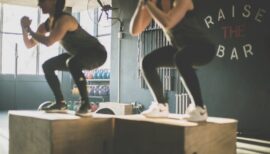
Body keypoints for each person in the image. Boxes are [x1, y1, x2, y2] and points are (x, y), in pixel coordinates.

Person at [130, 0, 215, 121]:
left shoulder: (182, 1)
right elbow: (135, 31)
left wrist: (148, 4)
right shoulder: (156, 5)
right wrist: (141, 5)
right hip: (180, 49)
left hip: (203, 48)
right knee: (147, 62)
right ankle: (161, 106)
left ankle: (200, 109)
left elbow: (167, 22)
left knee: (181, 58)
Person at [20, 0, 107, 115]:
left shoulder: (65, 20)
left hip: (97, 53)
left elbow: (49, 41)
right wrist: (24, 29)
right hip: (77, 54)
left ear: (54, 2)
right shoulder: (47, 25)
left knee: (72, 62)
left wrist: (30, 30)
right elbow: (29, 44)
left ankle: (86, 105)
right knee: (47, 66)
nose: (39, 4)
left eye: (42, 1)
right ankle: (60, 103)